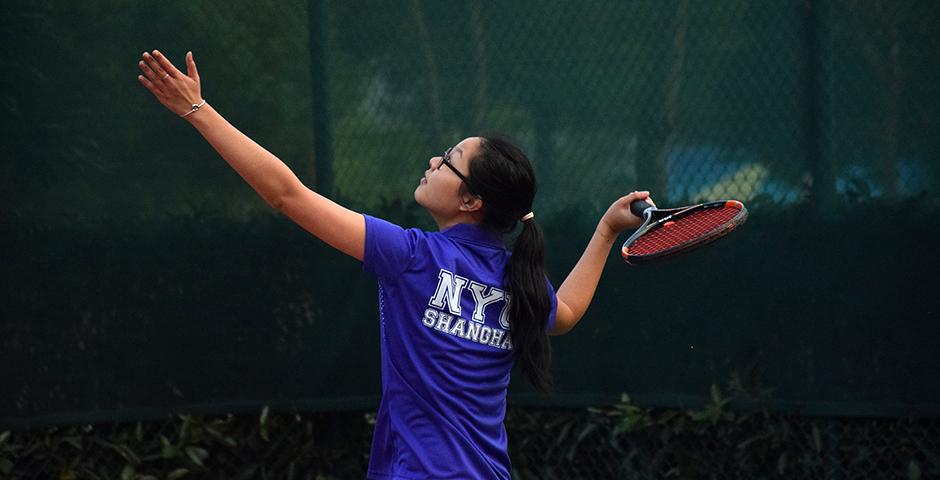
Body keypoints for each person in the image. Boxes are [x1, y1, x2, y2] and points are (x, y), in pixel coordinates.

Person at [138, 49, 655, 479]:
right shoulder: (515, 278)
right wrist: (606, 231)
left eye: (448, 160)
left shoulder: (410, 256)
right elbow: (564, 313)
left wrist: (197, 109)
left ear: (472, 200)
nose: (434, 161)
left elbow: (286, 195)